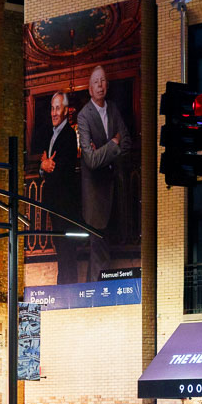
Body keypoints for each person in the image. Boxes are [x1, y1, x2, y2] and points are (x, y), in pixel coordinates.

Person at [77, 64, 132, 278]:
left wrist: (105, 149)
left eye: (103, 81)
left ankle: (99, 294)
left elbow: (126, 142)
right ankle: (95, 296)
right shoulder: (84, 116)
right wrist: (113, 143)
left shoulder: (114, 109)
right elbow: (90, 160)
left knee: (108, 251)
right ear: (90, 89)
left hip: (114, 187)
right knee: (98, 251)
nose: (100, 85)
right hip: (94, 194)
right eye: (96, 82)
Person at [40, 89, 81, 279]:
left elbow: (61, 169)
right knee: (61, 252)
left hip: (65, 205)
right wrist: (44, 166)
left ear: (66, 111)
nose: (54, 113)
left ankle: (68, 293)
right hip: (55, 204)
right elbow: (45, 165)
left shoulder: (68, 135)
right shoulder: (51, 133)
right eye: (52, 108)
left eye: (58, 108)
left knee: (67, 252)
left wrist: (47, 166)